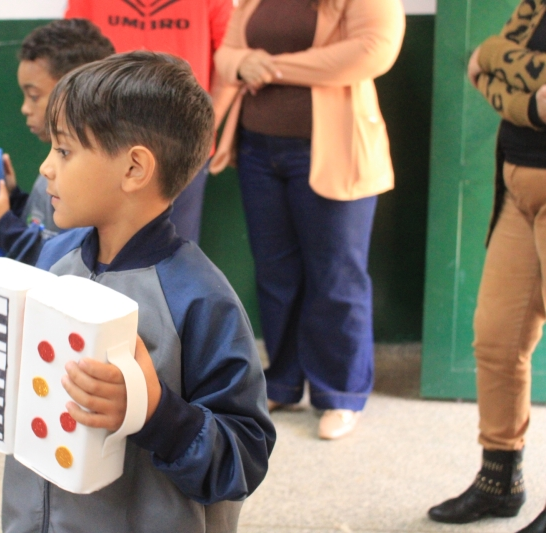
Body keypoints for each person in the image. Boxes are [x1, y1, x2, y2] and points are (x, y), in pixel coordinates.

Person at [0, 51, 276, 533]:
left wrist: (153, 412)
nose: (46, 168)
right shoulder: (53, 259)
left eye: (64, 150)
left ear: (134, 168)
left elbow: (244, 460)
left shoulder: (199, 299)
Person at [212, 0, 405, 440]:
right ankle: (281, 382)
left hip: (332, 150)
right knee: (275, 274)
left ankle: (340, 394)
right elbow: (226, 54)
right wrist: (243, 62)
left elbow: (372, 50)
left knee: (337, 277)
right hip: (258, 150)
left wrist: (270, 68)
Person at [428, 0, 546, 528]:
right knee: (497, 340)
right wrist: (529, 104)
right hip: (517, 189)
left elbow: (493, 63)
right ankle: (500, 480)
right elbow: (480, 63)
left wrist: (501, 66)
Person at [64, 0, 234, 243]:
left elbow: (231, 60)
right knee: (99, 248)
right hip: (106, 141)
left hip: (180, 144)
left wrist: (202, 127)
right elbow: (72, 53)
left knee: (174, 249)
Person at [0, 19, 114, 265]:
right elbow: (45, 228)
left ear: (75, 89)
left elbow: (68, 262)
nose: (25, 108)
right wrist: (13, 201)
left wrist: (3, 227)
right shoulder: (54, 167)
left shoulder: (91, 180)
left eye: (34, 96)